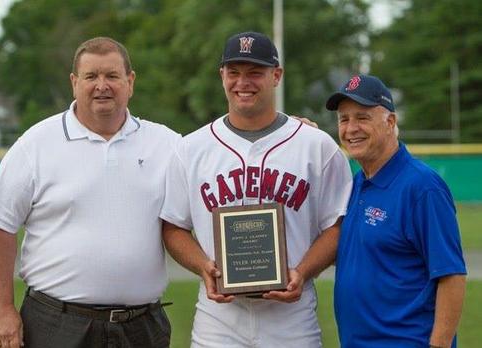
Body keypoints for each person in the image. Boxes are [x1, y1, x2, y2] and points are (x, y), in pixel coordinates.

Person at [0, 37, 179, 348]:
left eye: (112, 76)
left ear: (130, 82)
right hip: (56, 325)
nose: (102, 85)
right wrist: (2, 308)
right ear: (75, 83)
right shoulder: (35, 145)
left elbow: (213, 177)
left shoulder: (167, 145)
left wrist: (285, 133)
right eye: (91, 76)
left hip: (142, 328)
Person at [159, 31, 353, 347]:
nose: (242, 82)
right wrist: (203, 267)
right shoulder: (191, 148)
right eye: (233, 72)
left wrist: (302, 272)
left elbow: (337, 226)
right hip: (218, 323)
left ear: (276, 75)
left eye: (255, 73)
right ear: (221, 75)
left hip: (292, 322)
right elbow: (173, 227)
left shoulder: (317, 146)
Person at [326, 75, 467, 348]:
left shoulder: (422, 186)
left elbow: (451, 276)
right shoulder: (357, 182)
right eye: (344, 119)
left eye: (362, 117)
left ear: (390, 122)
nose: (351, 128)